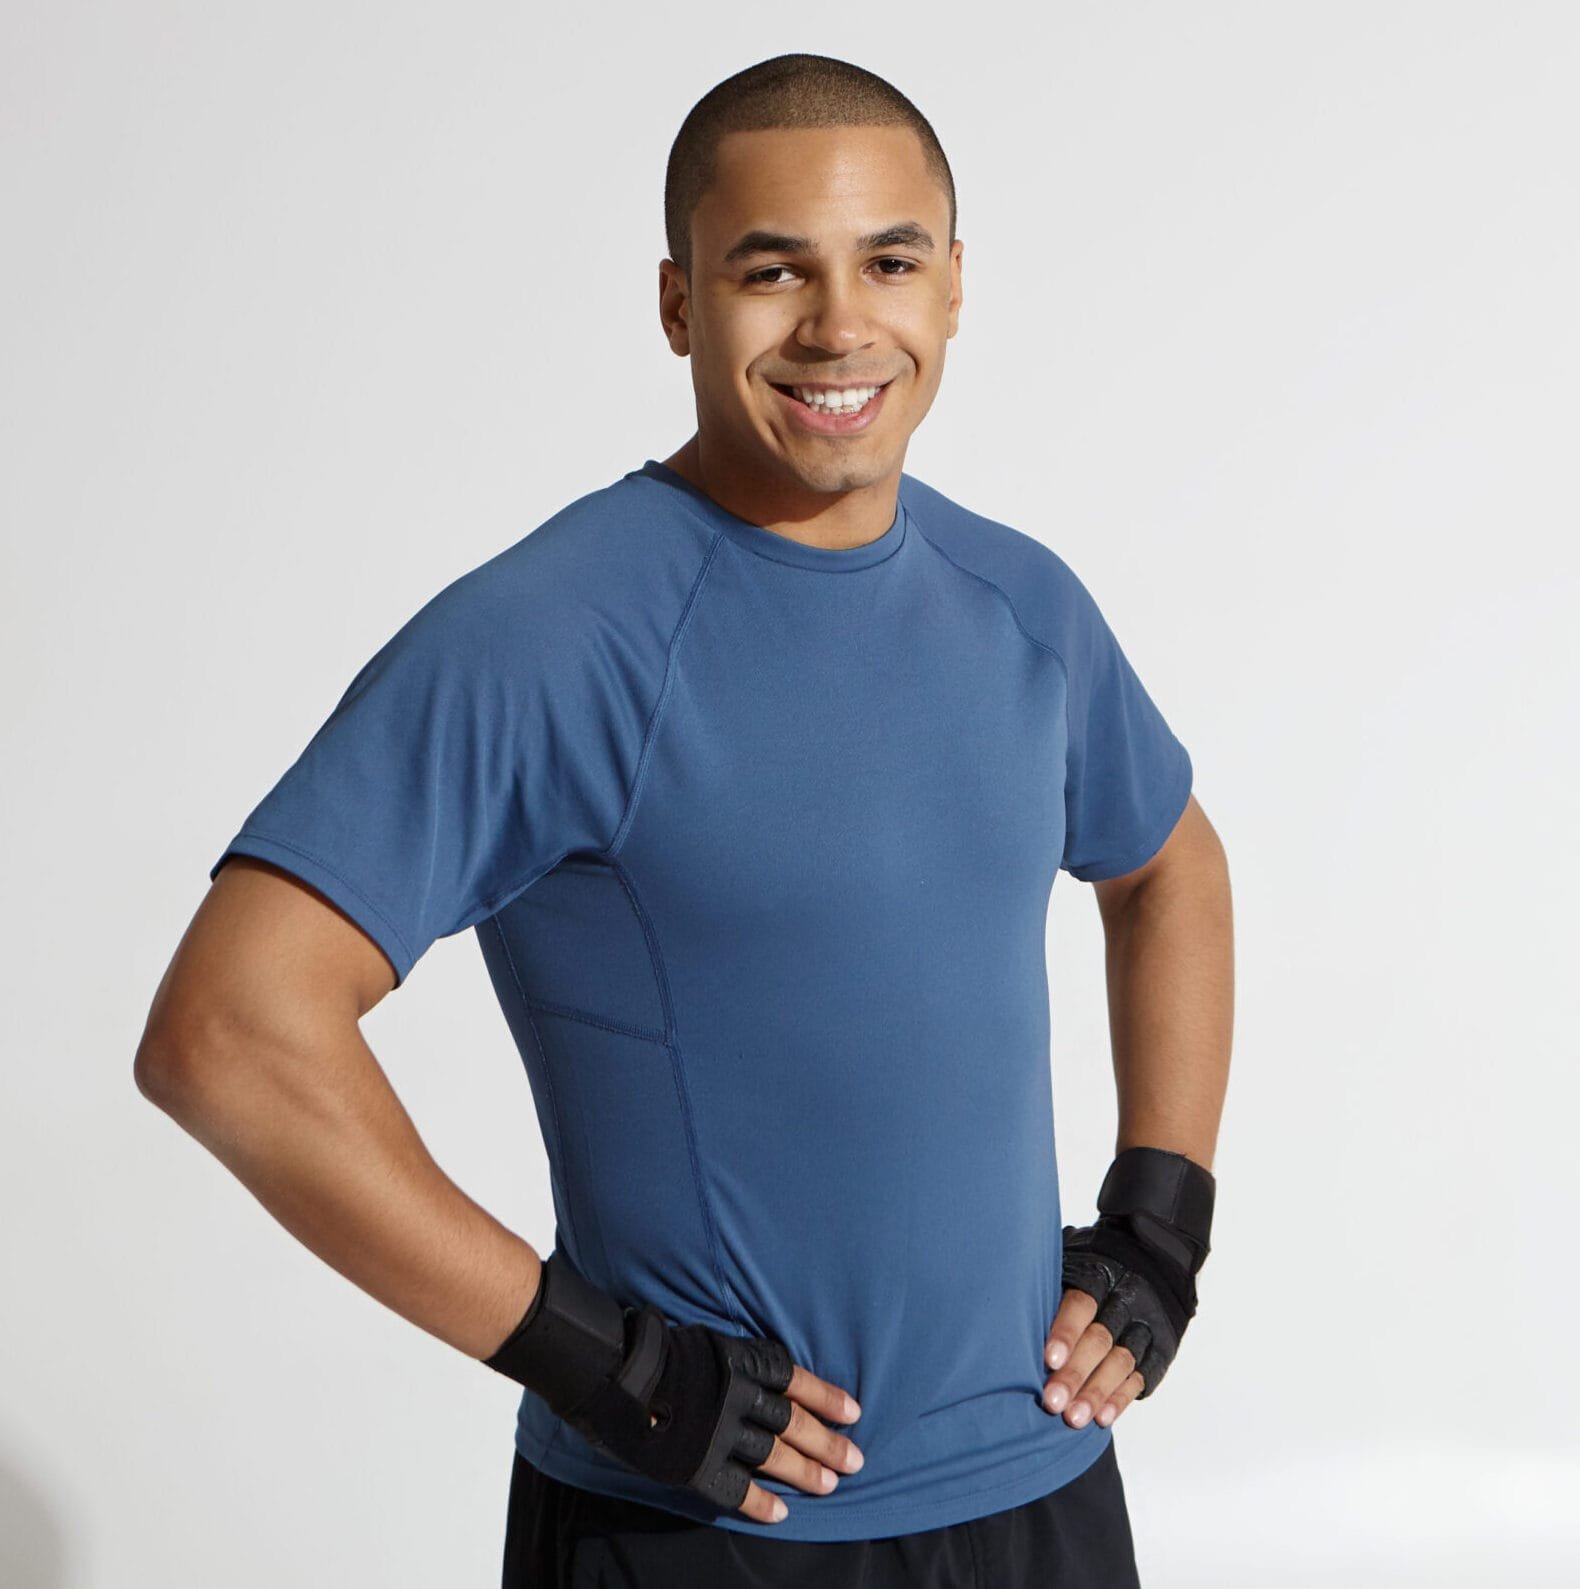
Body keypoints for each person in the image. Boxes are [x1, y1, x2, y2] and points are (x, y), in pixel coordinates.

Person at [134, 51, 1233, 1589]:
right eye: (769, 270)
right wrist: (591, 1356)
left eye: (888, 262)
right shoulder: (552, 634)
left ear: (955, 288)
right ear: (677, 305)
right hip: (697, 1530)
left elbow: (1167, 864)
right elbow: (226, 1032)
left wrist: (1157, 1222)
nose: (839, 324)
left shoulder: (1021, 605)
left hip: (1037, 1496)